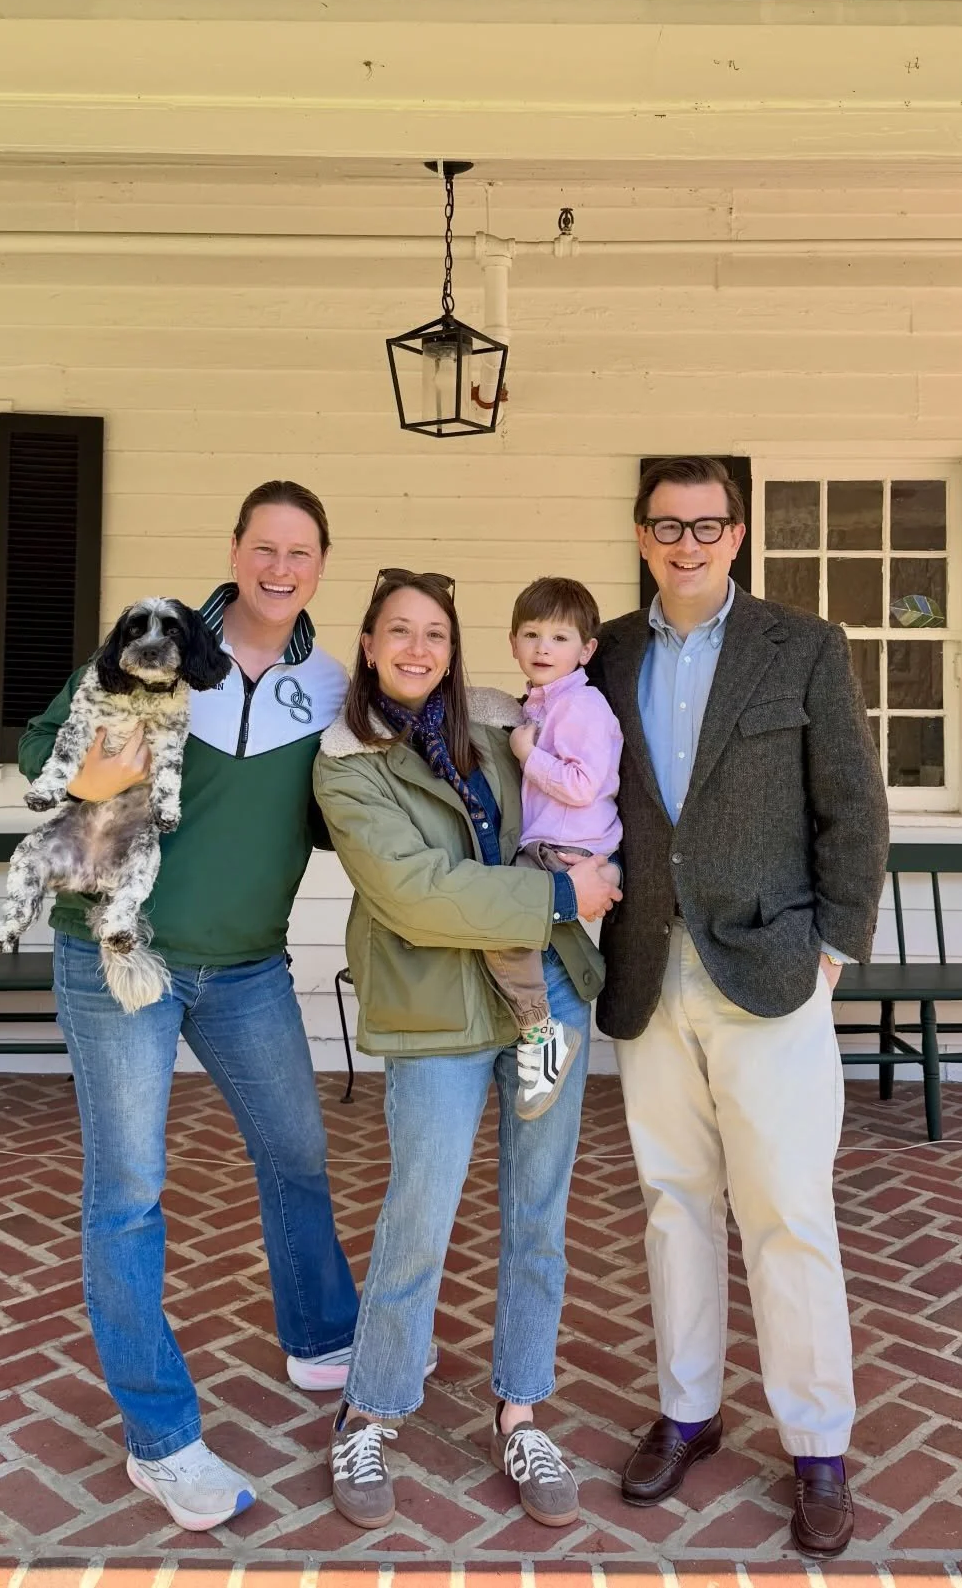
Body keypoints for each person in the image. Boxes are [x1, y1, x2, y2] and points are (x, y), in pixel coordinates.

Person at [21, 481, 360, 1533]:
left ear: (319, 564)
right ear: (236, 549)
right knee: (128, 1191)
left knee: (298, 1152)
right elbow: (40, 759)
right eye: (265, 546)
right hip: (125, 955)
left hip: (250, 965)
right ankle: (160, 1439)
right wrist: (99, 761)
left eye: (300, 551)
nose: (280, 567)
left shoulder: (330, 684)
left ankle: (322, 1337)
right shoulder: (151, 643)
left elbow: (349, 807)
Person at [588, 456, 889, 1558]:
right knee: (676, 1202)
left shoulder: (801, 646)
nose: (687, 541)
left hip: (772, 971)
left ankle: (817, 1444)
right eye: (667, 524)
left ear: (738, 532)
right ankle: (688, 1411)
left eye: (707, 524)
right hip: (646, 971)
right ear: (639, 535)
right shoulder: (608, 653)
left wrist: (835, 950)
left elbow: (854, 806)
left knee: (788, 1210)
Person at [312, 568, 622, 1531]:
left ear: (454, 648)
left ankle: (521, 1408)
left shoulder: (495, 723)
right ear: (367, 644)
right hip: (437, 1008)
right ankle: (370, 1408)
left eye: (435, 633)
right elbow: (419, 893)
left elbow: (573, 800)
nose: (417, 649)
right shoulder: (346, 761)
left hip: (545, 999)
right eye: (398, 631)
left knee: (539, 1204)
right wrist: (567, 895)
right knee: (423, 1204)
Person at [486, 576, 624, 1119]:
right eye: (532, 633)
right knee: (522, 937)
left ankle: (542, 1038)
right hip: (554, 845)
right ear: (513, 642)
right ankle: (545, 1022)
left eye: (561, 638)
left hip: (566, 848)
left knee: (502, 927)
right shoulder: (541, 704)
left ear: (586, 650)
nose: (544, 647)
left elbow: (583, 784)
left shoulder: (582, 707)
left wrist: (527, 754)